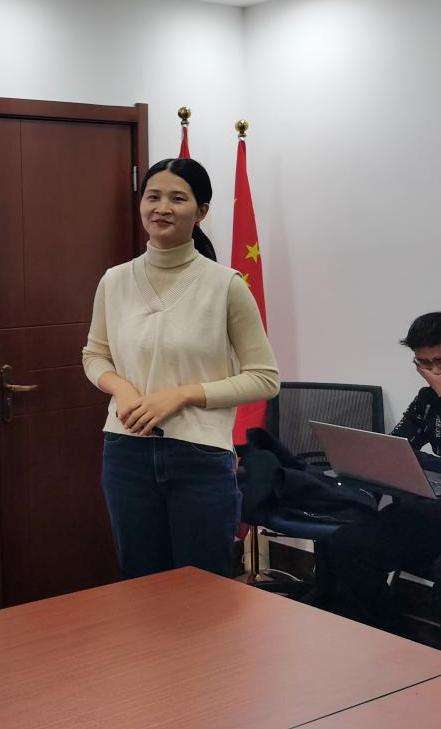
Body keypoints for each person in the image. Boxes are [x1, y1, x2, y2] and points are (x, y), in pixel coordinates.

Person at [82, 157, 280, 578]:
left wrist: (183, 394)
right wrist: (121, 388)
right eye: (153, 197)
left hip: (200, 455)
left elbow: (265, 378)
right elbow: (93, 355)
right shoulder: (114, 280)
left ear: (201, 211)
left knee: (201, 588)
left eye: (177, 198)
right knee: (140, 582)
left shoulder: (226, 285)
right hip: (126, 451)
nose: (162, 208)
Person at [327, 312, 441, 631]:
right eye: (423, 363)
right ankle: (384, 632)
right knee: (348, 544)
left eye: (440, 361)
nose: (432, 372)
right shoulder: (427, 400)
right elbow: (396, 445)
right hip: (433, 511)